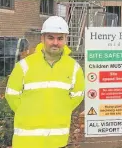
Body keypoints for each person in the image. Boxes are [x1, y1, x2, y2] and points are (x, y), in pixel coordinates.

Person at [5, 16, 85, 148]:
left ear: (66, 39)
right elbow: (11, 95)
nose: (55, 42)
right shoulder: (24, 65)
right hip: (26, 141)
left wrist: (59, 110)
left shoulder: (74, 68)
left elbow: (77, 96)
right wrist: (28, 112)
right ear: (42, 38)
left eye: (60, 38)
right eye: (50, 38)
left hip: (57, 141)